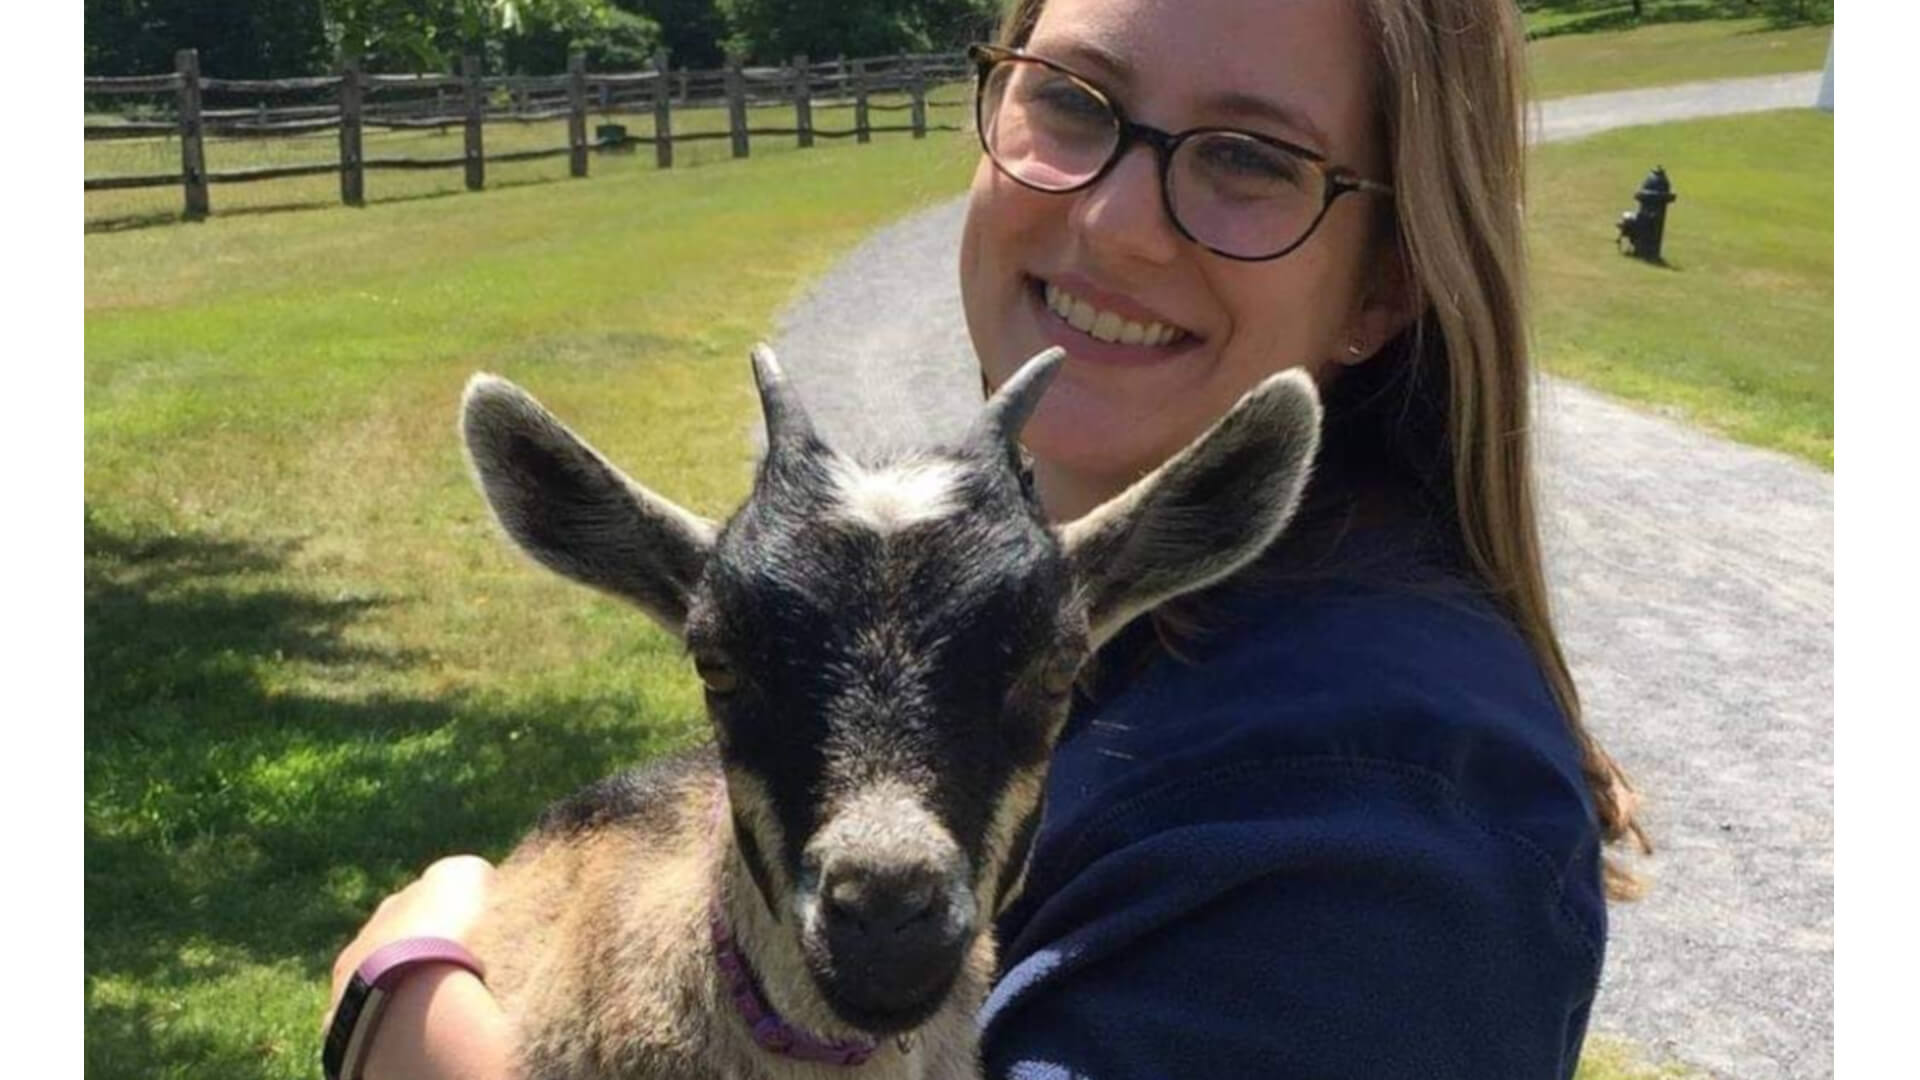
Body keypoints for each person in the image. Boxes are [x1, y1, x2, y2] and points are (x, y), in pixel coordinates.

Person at [327, 0, 1650, 1076]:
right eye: (1073, 100)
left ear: (1385, 282)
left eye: (1252, 159)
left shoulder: (1383, 820)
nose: (1116, 223)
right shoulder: (1083, 622)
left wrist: (418, 1026)